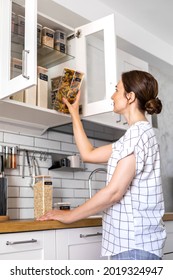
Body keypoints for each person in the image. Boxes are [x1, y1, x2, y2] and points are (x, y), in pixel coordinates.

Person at [38, 70, 166, 260]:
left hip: (133, 248)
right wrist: (74, 113)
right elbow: (88, 154)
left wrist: (70, 215)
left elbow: (114, 192)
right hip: (137, 246)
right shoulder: (138, 135)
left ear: (129, 97)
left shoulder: (136, 136)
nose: (112, 96)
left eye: (117, 90)